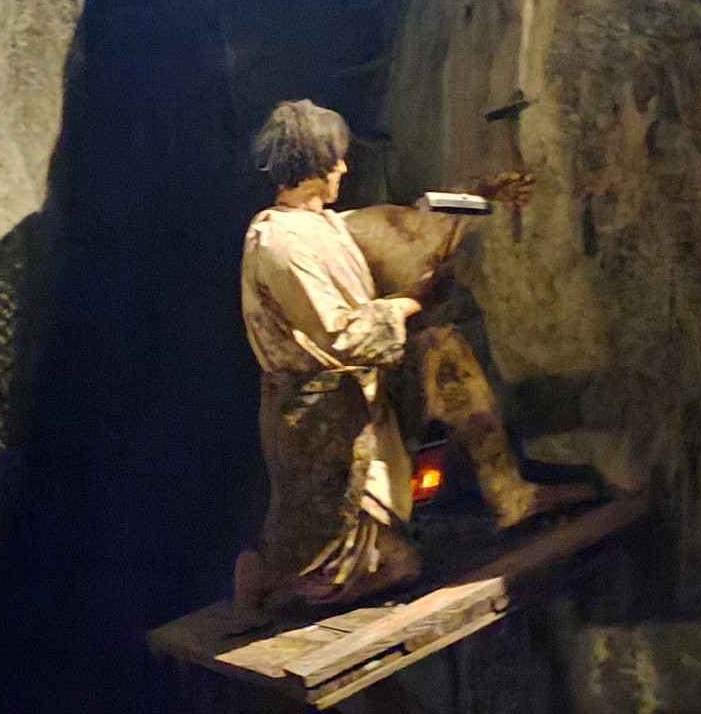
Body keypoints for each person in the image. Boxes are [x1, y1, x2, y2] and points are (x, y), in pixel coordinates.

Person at [237, 98, 588, 616]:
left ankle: (510, 495)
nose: (343, 168)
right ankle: (272, 577)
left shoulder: (325, 226)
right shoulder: (279, 244)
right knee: (393, 566)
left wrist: (484, 194)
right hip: (321, 430)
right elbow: (343, 337)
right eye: (335, 159)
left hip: (359, 401)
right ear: (312, 165)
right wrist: (410, 302)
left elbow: (407, 228)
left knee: (440, 349)